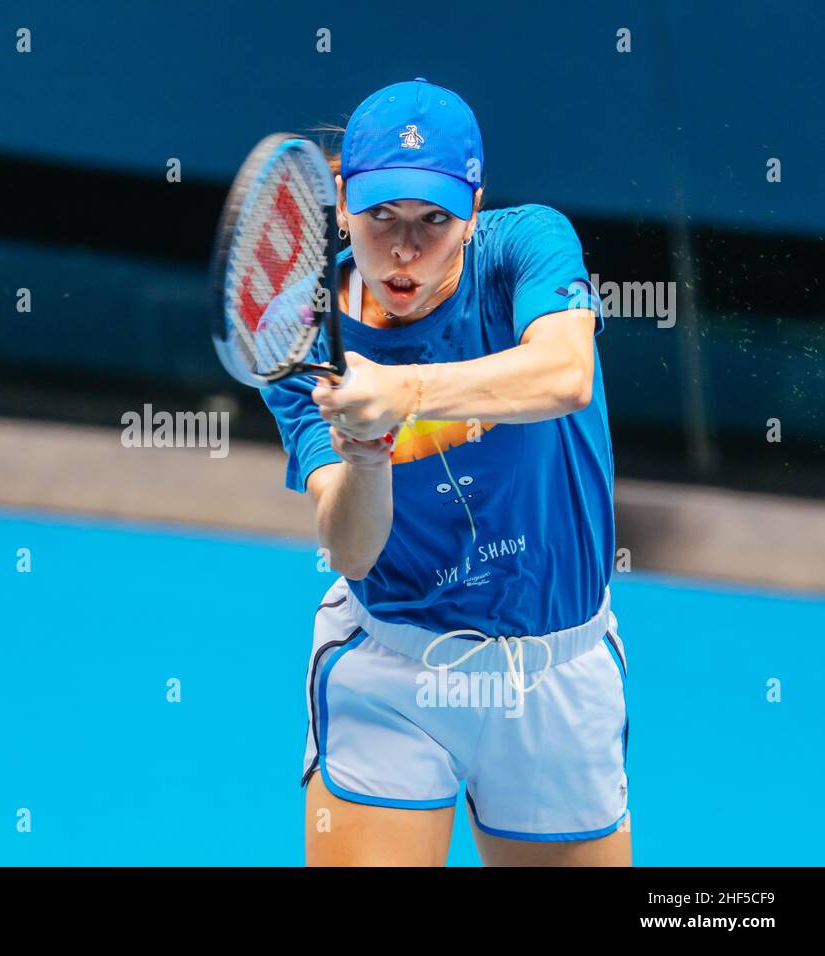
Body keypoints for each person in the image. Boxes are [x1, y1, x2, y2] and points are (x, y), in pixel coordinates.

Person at [261, 78, 630, 866]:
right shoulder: (301, 336)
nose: (403, 250)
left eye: (434, 220)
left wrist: (405, 392)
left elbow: (565, 373)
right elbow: (353, 550)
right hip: (394, 669)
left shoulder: (526, 244)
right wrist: (365, 454)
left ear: (474, 204)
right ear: (340, 199)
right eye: (381, 218)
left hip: (557, 669)